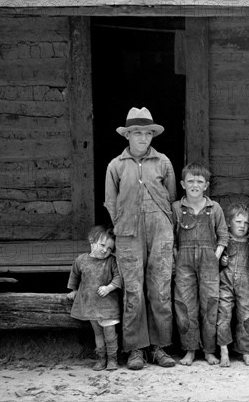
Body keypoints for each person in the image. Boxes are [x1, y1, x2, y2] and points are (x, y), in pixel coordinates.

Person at [105, 107, 177, 370]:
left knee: (159, 290)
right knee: (133, 291)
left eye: (147, 133)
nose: (143, 138)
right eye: (137, 133)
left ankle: (159, 348)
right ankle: (136, 349)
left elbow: (170, 199)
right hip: (128, 235)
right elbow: (111, 203)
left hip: (160, 232)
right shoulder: (116, 165)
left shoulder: (163, 162)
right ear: (127, 136)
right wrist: (123, 226)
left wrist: (165, 229)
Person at [172, 162, 229, 366]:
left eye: (199, 181)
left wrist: (216, 254)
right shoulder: (177, 208)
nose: (194, 185)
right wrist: (176, 256)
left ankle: (209, 351)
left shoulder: (214, 208)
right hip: (183, 262)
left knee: (210, 305)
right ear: (182, 183)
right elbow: (171, 237)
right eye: (190, 181)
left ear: (206, 185)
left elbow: (223, 234)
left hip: (209, 261)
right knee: (185, 306)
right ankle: (189, 350)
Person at [67, 225, 122, 371]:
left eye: (110, 248)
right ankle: (101, 359)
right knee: (98, 334)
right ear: (92, 241)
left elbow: (119, 277)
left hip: (108, 306)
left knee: (110, 334)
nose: (105, 250)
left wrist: (109, 287)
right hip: (91, 306)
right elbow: (75, 275)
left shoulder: (111, 261)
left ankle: (112, 360)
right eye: (102, 245)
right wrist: (74, 290)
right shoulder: (81, 260)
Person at [217, 203, 249, 367]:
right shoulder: (224, 240)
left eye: (246, 223)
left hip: (245, 285)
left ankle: (246, 351)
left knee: (248, 317)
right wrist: (222, 261)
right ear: (228, 223)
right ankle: (223, 350)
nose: (243, 226)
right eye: (238, 222)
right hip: (225, 283)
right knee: (223, 315)